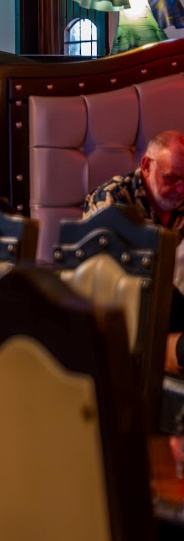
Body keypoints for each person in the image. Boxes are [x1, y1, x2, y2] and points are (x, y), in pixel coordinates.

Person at [83, 131, 184, 373]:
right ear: (147, 165)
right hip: (120, 311)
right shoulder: (111, 200)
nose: (180, 189)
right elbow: (110, 280)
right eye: (171, 178)